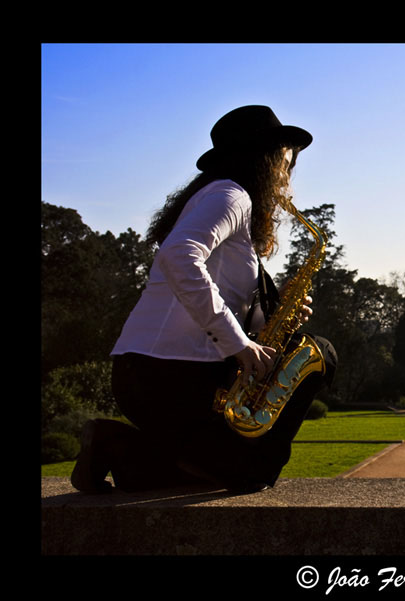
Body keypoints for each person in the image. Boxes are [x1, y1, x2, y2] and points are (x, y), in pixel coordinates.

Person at [70, 105, 336, 494]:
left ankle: (118, 448)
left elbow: (215, 290)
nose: (287, 175)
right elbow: (179, 256)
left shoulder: (221, 198)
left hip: (150, 374)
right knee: (321, 355)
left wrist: (268, 322)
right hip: (169, 377)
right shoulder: (231, 196)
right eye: (286, 162)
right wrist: (239, 344)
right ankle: (121, 446)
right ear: (262, 159)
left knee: (204, 472)